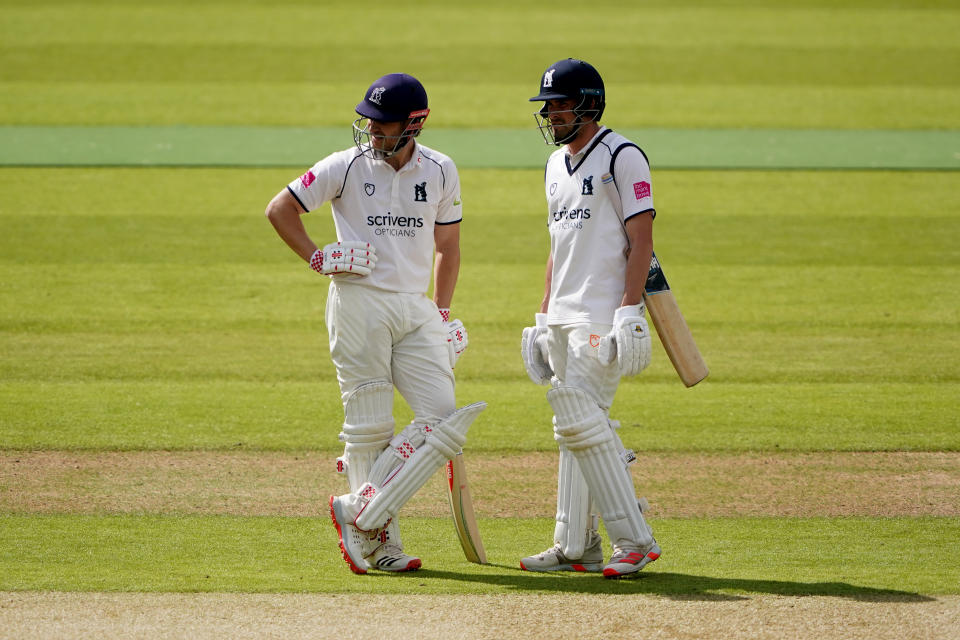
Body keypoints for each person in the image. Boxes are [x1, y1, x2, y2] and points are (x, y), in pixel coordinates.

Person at [264, 72, 483, 575]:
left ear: (415, 124)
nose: (375, 135)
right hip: (358, 302)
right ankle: (382, 542)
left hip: (415, 307)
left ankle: (357, 508)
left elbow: (447, 249)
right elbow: (280, 210)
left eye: (385, 127)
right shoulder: (345, 165)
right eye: (371, 124)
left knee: (443, 418)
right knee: (369, 429)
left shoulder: (441, 170)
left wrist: (442, 312)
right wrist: (318, 259)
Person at [519, 58, 661, 578]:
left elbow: (641, 238)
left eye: (558, 104)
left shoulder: (623, 155)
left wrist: (628, 313)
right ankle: (575, 543)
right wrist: (542, 314)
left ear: (588, 104)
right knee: (576, 431)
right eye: (548, 106)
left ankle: (635, 540)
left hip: (601, 315)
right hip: (562, 315)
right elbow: (558, 246)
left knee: (583, 426)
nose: (551, 114)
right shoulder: (556, 165)